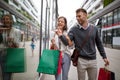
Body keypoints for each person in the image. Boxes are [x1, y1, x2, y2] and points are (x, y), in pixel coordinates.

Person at [55, 8, 110, 80]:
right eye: (76, 17)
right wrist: (61, 35)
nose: (77, 18)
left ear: (85, 15)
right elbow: (67, 43)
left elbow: (99, 44)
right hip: (81, 60)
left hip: (93, 60)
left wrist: (104, 57)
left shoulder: (94, 28)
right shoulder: (73, 29)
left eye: (79, 16)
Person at [0, 14, 21, 80]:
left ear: (11, 20)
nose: (6, 21)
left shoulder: (16, 31)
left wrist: (12, 41)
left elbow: (17, 46)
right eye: (4, 19)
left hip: (10, 55)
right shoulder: (2, 30)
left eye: (7, 19)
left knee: (7, 76)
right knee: (4, 75)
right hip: (1, 54)